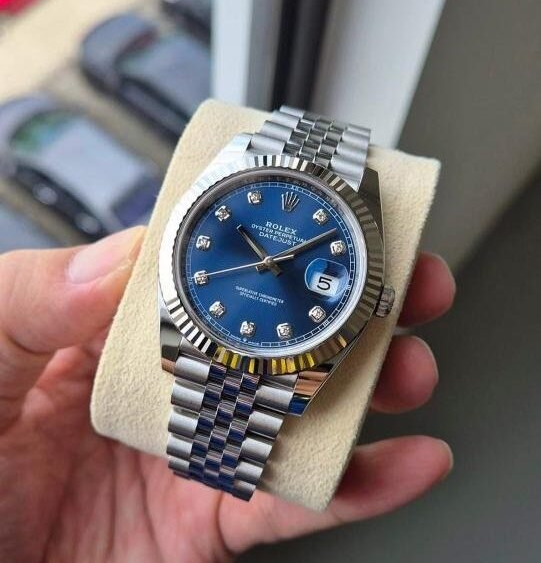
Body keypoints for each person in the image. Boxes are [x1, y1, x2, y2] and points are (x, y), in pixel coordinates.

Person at [0, 227, 455, 562]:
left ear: (376, 298)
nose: (269, 264)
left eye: (272, 263)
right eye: (264, 259)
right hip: (204, 339)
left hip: (276, 357)